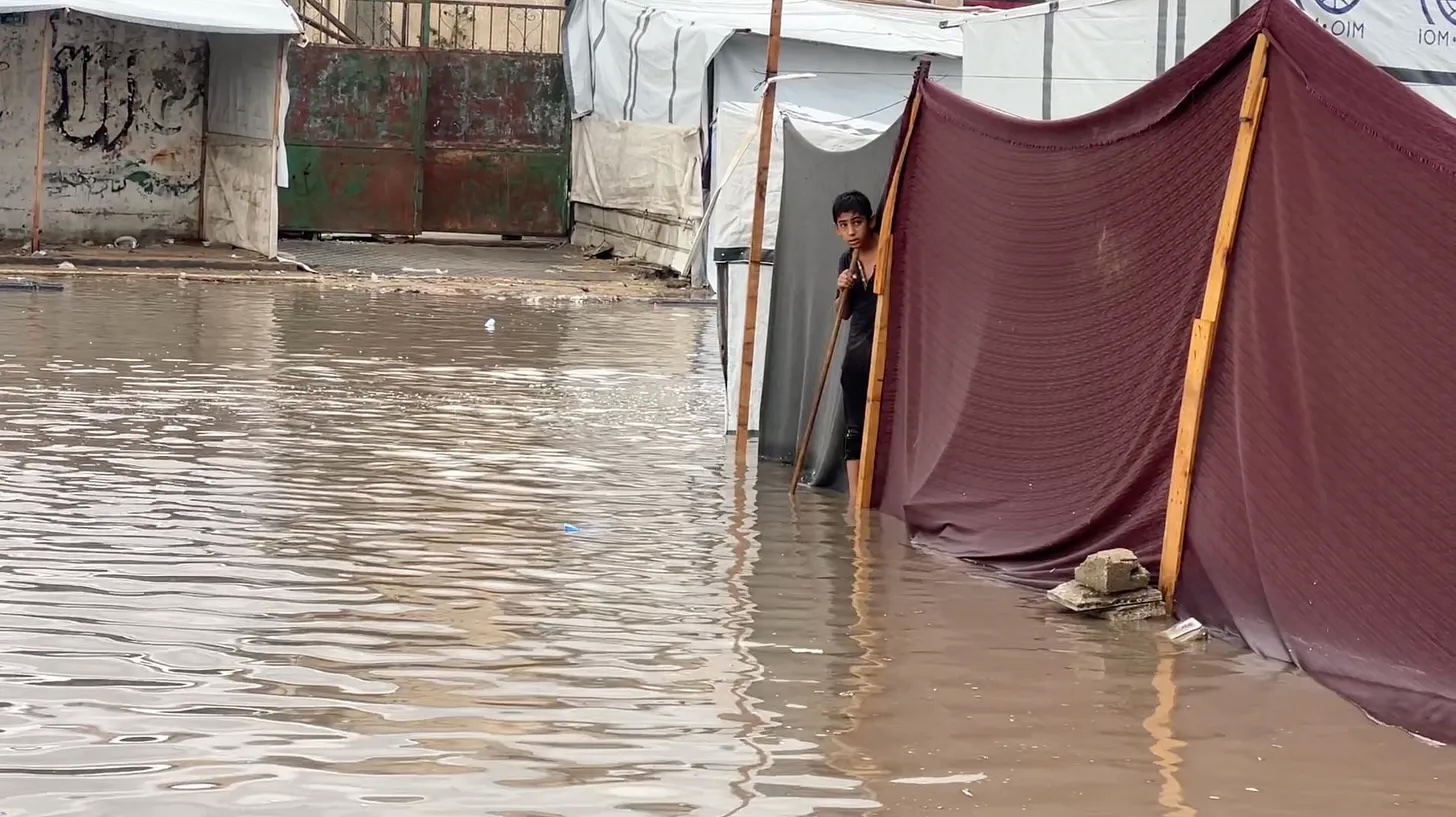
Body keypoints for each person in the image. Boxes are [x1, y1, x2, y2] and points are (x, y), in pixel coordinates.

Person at [832, 190, 879, 504]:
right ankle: (855, 501)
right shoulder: (846, 261)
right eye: (843, 225)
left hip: (885, 353)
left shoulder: (888, 250)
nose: (851, 232)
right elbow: (842, 314)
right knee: (854, 430)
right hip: (857, 357)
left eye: (857, 223)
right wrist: (842, 289)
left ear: (871, 222)